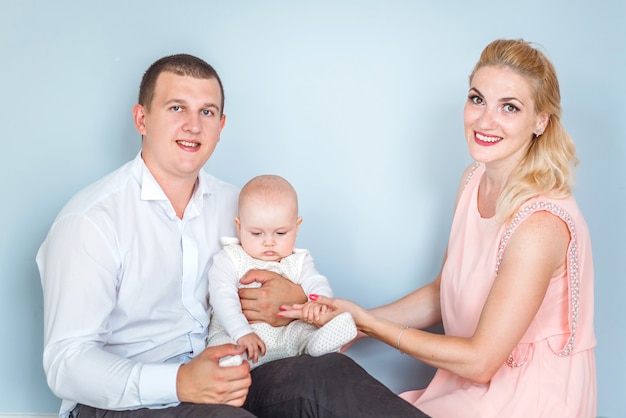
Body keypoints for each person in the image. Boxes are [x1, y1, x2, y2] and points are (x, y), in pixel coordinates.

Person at [37, 53, 429, 418]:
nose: (193, 125)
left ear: (221, 126)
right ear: (142, 119)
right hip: (122, 401)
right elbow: (66, 363)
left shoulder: (238, 207)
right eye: (177, 108)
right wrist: (180, 381)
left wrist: (296, 299)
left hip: (234, 371)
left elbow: (285, 276)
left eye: (207, 112)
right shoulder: (91, 220)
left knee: (331, 374)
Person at [281, 38, 596, 417]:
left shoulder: (540, 225)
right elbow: (442, 293)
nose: (485, 121)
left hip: (526, 398)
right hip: (467, 385)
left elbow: (481, 360)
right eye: (477, 99)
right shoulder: (473, 179)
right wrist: (353, 322)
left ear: (540, 121)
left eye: (509, 107)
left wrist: (370, 324)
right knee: (312, 379)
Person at [207, 174, 357, 368]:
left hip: (285, 337)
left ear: (296, 227)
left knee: (302, 331)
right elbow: (221, 296)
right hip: (242, 337)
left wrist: (319, 302)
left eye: (280, 233)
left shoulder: (298, 261)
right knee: (221, 342)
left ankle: (318, 343)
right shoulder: (230, 258)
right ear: (239, 227)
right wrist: (241, 332)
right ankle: (231, 363)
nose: (269, 241)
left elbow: (316, 282)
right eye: (256, 233)